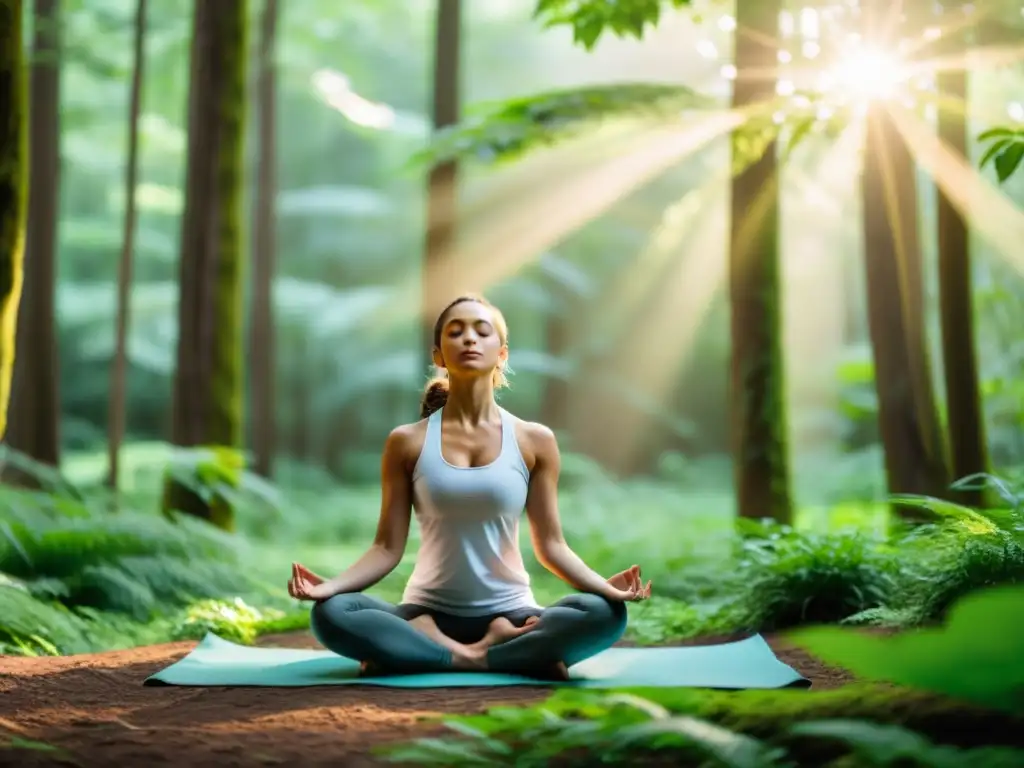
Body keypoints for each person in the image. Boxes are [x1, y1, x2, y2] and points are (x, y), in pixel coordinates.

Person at [287, 294, 652, 679]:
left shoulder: (534, 440)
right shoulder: (406, 442)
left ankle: (426, 652)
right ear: (439, 355)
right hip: (425, 611)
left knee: (603, 614)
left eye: (482, 331)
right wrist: (330, 587)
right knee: (332, 613)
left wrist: (604, 589)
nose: (469, 340)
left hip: (511, 614)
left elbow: (552, 546)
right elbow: (386, 547)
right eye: (456, 332)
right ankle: (493, 654)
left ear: (502, 354)